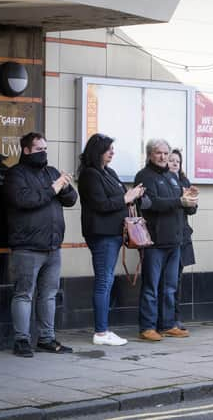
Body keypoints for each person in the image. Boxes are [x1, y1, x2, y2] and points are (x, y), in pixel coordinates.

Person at [5, 132, 78, 357]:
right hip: (27, 246)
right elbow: (24, 200)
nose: (43, 153)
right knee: (24, 294)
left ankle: (47, 338)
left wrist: (64, 186)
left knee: (48, 294)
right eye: (39, 149)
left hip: (52, 246)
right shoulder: (15, 174)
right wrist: (53, 188)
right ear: (26, 151)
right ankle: (22, 340)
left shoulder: (51, 172)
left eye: (45, 149)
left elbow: (71, 199)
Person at [78, 134, 147, 346]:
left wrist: (134, 195)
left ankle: (103, 329)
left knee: (106, 280)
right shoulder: (90, 175)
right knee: (104, 281)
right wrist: (126, 198)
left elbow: (119, 198)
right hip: (102, 235)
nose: (112, 152)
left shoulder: (108, 172)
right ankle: (101, 332)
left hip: (113, 234)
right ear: (97, 151)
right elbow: (101, 204)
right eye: (108, 149)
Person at [134, 139, 198, 341]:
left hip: (175, 241)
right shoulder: (144, 176)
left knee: (170, 287)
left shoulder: (172, 177)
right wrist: (179, 200)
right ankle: (147, 327)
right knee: (151, 287)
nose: (163, 157)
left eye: (165, 153)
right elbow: (150, 203)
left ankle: (168, 324)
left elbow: (185, 205)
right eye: (158, 153)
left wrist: (190, 201)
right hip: (154, 242)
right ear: (149, 155)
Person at [158, 149, 197, 331]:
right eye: (171, 160)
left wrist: (191, 200)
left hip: (182, 236)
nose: (174, 163)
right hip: (164, 237)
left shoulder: (184, 182)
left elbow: (191, 211)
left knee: (177, 280)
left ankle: (175, 317)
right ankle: (162, 318)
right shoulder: (161, 181)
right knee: (162, 280)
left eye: (177, 161)